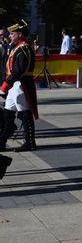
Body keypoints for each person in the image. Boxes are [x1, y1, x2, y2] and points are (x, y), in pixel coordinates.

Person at [0, 20, 38, 152]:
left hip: (21, 85)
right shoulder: (17, 47)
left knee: (25, 114)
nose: (9, 35)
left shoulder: (24, 48)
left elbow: (19, 70)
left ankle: (30, 142)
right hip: (14, 85)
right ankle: (2, 140)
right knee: (7, 113)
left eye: (12, 33)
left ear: (20, 34)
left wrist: (5, 85)